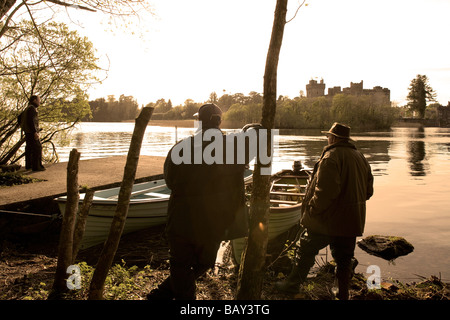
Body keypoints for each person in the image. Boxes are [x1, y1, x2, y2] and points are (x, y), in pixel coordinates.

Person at [147, 103, 259, 300]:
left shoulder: (181, 146)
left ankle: (160, 296)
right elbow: (257, 135)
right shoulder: (234, 148)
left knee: (181, 265)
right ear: (218, 121)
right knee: (202, 263)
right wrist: (247, 130)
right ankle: (166, 297)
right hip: (212, 222)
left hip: (181, 218)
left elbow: (170, 181)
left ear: (199, 121)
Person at [275, 122, 374, 300]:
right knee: (344, 258)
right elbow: (369, 191)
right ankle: (342, 293)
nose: (327, 139)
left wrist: (312, 210)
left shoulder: (331, 157)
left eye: (328, 136)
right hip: (351, 221)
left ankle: (292, 285)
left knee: (306, 248)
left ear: (334, 138)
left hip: (327, 220)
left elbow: (325, 193)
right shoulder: (361, 157)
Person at [22, 95, 45, 171]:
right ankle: (36, 167)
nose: (40, 102)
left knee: (29, 148)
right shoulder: (32, 109)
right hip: (31, 132)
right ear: (34, 100)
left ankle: (29, 165)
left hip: (27, 131)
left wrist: (23, 127)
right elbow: (31, 121)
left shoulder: (27, 108)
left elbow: (19, 118)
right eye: (39, 100)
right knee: (37, 148)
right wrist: (34, 132)